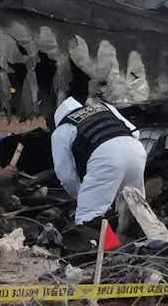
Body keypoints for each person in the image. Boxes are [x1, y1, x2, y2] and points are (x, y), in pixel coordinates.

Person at [48, 91, 146, 231]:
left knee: (89, 217)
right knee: (135, 207)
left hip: (106, 158)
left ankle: (106, 251)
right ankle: (148, 245)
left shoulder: (62, 130)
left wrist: (81, 195)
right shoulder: (104, 107)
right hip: (136, 149)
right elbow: (135, 132)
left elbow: (66, 176)